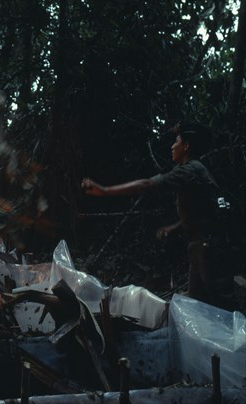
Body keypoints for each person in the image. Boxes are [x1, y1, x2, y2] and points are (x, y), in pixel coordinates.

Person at [81, 123, 234, 310]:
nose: (172, 146)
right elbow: (203, 212)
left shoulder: (189, 170)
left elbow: (147, 184)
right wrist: (176, 226)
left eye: (176, 142)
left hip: (209, 247)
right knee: (197, 302)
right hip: (200, 245)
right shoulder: (195, 169)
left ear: (186, 146)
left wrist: (105, 191)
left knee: (224, 306)